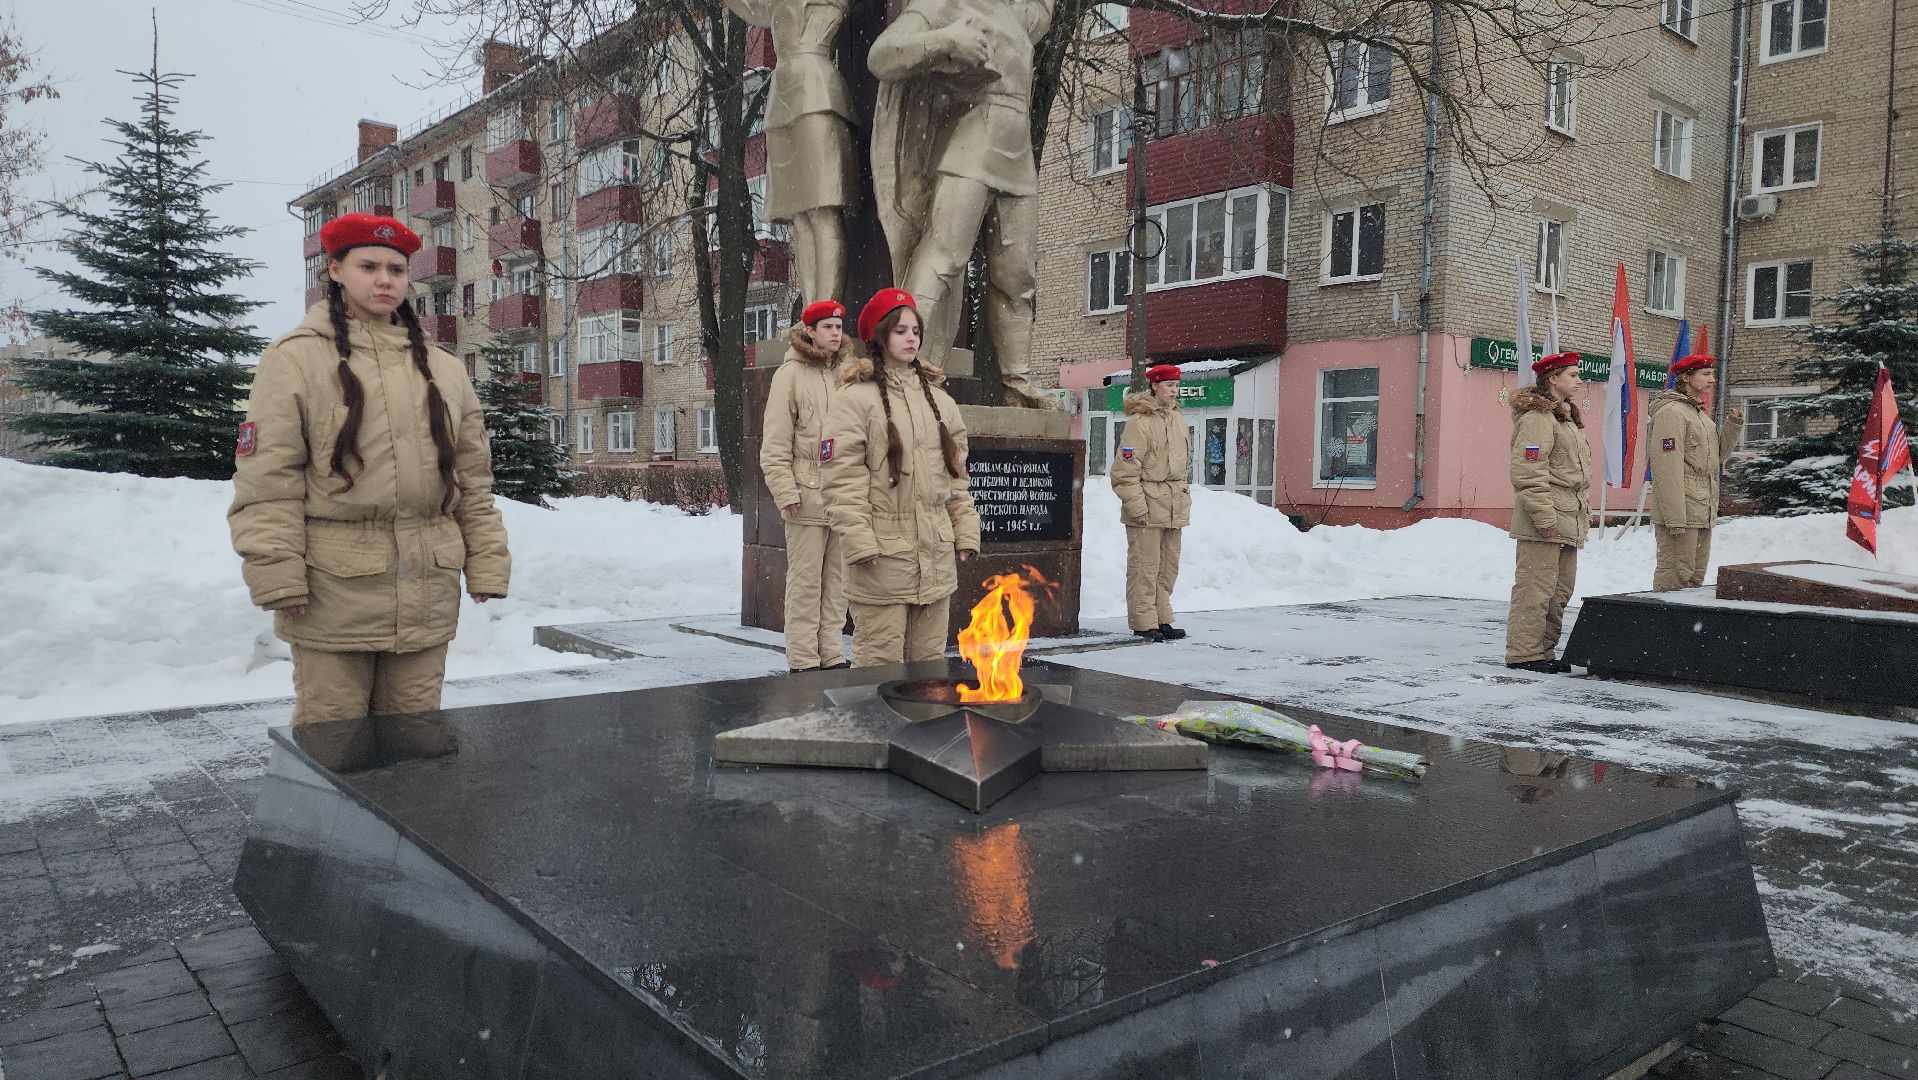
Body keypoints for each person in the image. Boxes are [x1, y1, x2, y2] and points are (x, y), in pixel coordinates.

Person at [229, 212, 511, 724]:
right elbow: (268, 481)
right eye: (369, 266)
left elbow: (473, 481)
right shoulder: (295, 360)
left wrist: (487, 562)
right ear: (335, 271)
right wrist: (278, 575)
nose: (385, 280)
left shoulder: (443, 368)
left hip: (428, 587)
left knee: (415, 735)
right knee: (333, 739)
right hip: (334, 590)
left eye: (397, 269)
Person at [866, 0, 1054, 408]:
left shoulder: (1019, 15)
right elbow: (881, 55)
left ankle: (1017, 383)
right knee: (944, 256)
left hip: (1017, 151)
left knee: (1017, 276)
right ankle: (903, 370)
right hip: (969, 141)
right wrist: (946, 41)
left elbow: (1043, 11)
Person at [821, 288, 981, 667]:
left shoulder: (940, 402)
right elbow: (842, 481)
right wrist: (860, 542)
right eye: (900, 330)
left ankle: (923, 726)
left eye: (915, 330)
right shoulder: (854, 400)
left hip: (935, 558)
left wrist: (965, 529)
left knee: (928, 669)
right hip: (881, 558)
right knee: (879, 667)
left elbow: (956, 477)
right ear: (880, 335)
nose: (911, 338)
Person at [721, 0, 854, 305]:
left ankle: (827, 311)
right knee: (801, 216)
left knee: (823, 208)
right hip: (783, 97)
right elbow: (749, 7)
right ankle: (812, 310)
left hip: (816, 91)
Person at [761, 299, 852, 672]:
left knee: (838, 584)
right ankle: (803, 658)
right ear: (810, 331)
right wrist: (786, 493)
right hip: (806, 495)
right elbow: (775, 443)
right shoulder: (790, 374)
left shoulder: (848, 372)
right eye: (827, 327)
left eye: (839, 327)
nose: (835, 333)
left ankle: (831, 653)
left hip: (843, 497)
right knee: (805, 584)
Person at [1505, 352, 1590, 673]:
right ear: (1552, 379)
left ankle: (1543, 651)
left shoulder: (1564, 417)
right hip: (1545, 520)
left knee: (1559, 591)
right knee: (1535, 589)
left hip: (1569, 516)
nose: (1579, 380)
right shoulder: (1537, 419)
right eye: (1572, 374)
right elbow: (1529, 472)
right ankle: (1525, 654)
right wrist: (1544, 518)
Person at [1110, 364, 1191, 643]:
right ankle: (1144, 621)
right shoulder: (1139, 423)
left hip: (1174, 505)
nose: (1174, 390)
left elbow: (1183, 464)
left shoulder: (1178, 418)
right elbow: (1124, 472)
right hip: (1147, 505)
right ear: (1155, 386)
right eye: (1169, 385)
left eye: (1176, 386)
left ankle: (1162, 617)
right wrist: (1138, 507)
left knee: (1168, 566)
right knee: (1145, 567)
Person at [1649, 353, 1744, 591]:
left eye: (1712, 373)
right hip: (1682, 510)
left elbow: (1714, 459)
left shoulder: (1699, 415)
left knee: (1694, 580)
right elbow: (1666, 469)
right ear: (1686, 378)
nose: (1712, 380)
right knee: (1674, 576)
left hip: (1701, 508)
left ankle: (1683, 628)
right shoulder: (1672, 413)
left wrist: (1732, 427)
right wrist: (1674, 518)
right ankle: (1663, 626)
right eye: (1706, 374)